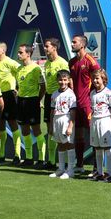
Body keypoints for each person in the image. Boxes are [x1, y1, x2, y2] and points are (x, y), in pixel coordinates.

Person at [69, 35, 99, 171]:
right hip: (75, 104)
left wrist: (94, 98)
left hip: (87, 104)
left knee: (93, 134)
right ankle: (79, 165)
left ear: (82, 45)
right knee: (78, 135)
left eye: (74, 42)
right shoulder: (72, 62)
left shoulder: (91, 61)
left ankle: (96, 167)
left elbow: (99, 79)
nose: (72, 44)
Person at [0, 42, 21, 162]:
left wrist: (18, 88)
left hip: (9, 95)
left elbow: (21, 72)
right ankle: (1, 154)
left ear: (3, 50)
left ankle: (17, 155)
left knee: (13, 123)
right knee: (1, 124)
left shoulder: (10, 62)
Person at [42, 38, 70, 167]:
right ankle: (51, 161)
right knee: (50, 129)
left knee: (62, 129)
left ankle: (66, 162)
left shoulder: (62, 63)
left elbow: (68, 82)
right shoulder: (47, 63)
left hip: (61, 98)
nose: (45, 48)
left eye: (47, 46)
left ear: (54, 47)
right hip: (49, 97)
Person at [15, 44, 44, 165]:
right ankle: (29, 158)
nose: (18, 54)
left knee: (36, 130)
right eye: (18, 52)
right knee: (25, 130)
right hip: (21, 101)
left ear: (28, 54)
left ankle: (41, 159)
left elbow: (43, 87)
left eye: (21, 52)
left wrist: (37, 100)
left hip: (32, 101)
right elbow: (18, 86)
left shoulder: (36, 68)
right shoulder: (18, 69)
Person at [90, 69, 111, 181]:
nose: (95, 80)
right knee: (97, 148)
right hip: (95, 121)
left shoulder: (108, 93)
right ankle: (100, 172)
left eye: (97, 78)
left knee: (107, 147)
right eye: (93, 78)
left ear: (103, 79)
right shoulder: (92, 93)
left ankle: (109, 173)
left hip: (105, 121)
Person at [49, 70, 77, 179]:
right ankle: (61, 168)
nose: (63, 82)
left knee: (69, 143)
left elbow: (73, 111)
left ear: (69, 80)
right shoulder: (54, 94)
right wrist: (51, 125)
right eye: (60, 80)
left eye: (65, 80)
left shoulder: (71, 94)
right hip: (56, 120)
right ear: (57, 80)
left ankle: (70, 170)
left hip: (66, 119)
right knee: (60, 144)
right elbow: (52, 111)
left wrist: (70, 126)